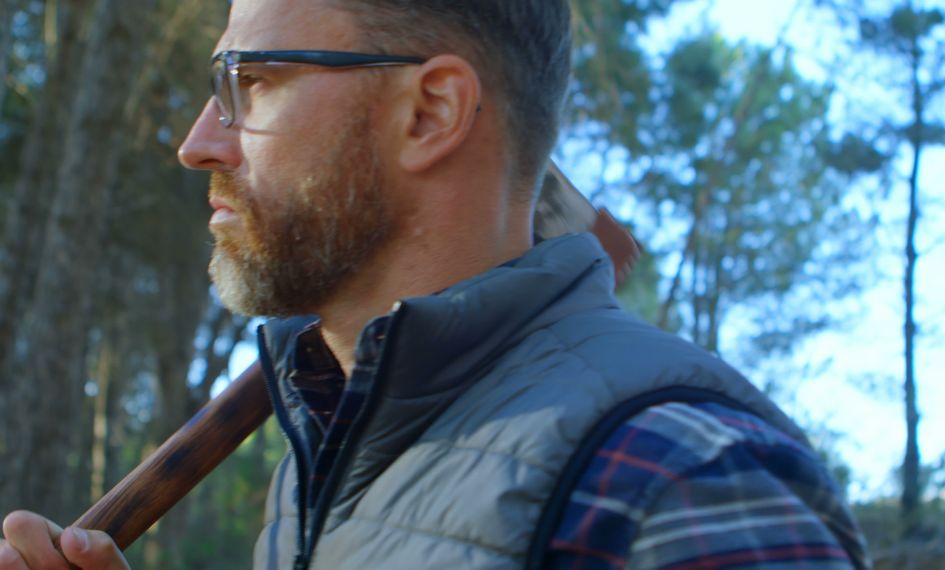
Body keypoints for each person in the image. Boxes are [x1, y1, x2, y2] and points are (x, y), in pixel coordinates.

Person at [0, 0, 871, 568]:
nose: (198, 143)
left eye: (250, 84)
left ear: (431, 113)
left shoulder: (679, 488)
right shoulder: (323, 454)